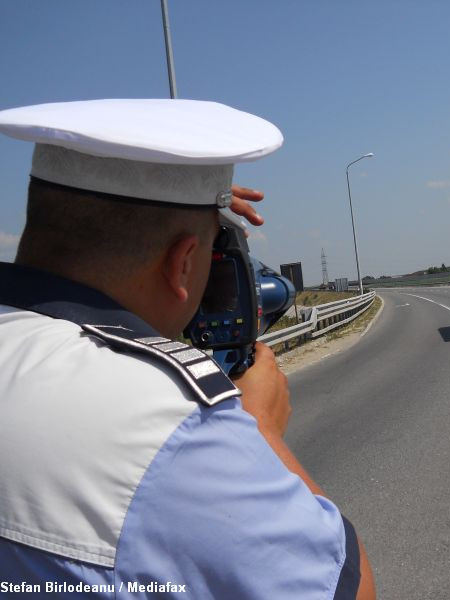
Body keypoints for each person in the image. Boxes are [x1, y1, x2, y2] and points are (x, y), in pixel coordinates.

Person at [0, 99, 375, 599]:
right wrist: (260, 429)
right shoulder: (172, 428)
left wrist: (190, 203)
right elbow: (343, 589)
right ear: (183, 264)